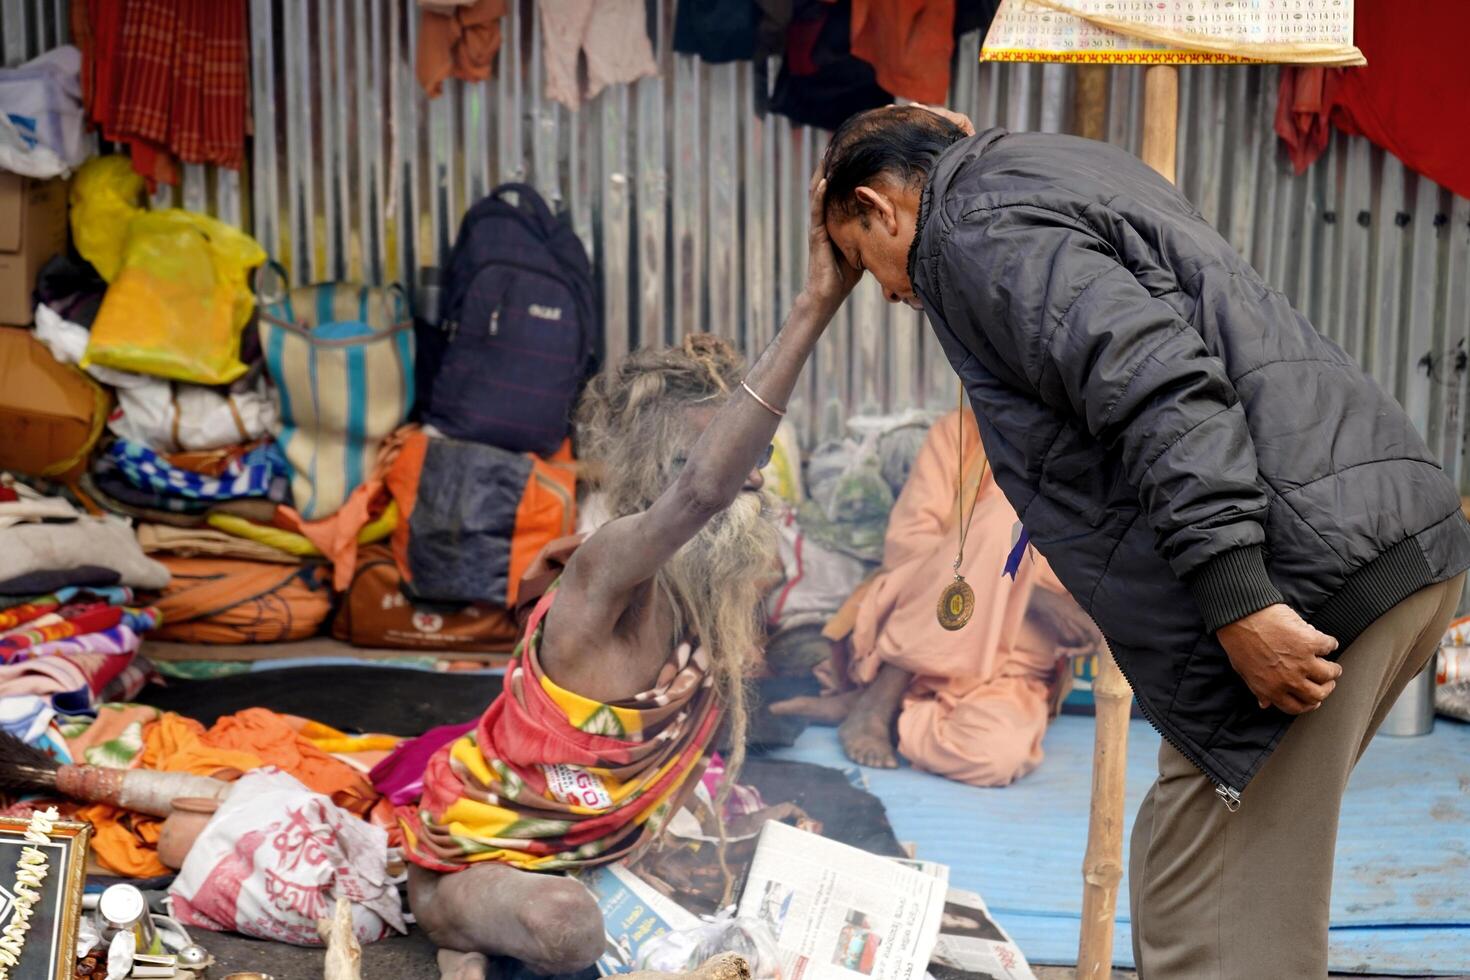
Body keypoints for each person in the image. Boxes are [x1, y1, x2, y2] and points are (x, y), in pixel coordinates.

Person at [816, 104, 1470, 978]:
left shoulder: (967, 233)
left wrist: (1239, 595)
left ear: (882, 206)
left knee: (1216, 926)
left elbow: (1162, 385)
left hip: (1304, 580)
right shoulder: (1046, 170)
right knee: (1197, 877)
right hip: (1380, 541)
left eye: (866, 265)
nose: (892, 295)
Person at [400, 174, 856, 980]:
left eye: (754, 463)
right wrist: (814, 306)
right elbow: (706, 490)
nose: (748, 481)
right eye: (716, 460)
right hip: (475, 862)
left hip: (600, 849)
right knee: (570, 927)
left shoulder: (705, 597)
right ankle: (455, 931)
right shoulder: (608, 563)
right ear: (657, 477)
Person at [772, 408, 1100, 785]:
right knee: (1001, 517)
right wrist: (1023, 594)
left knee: (993, 758)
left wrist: (1082, 620)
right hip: (927, 624)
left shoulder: (1097, 458)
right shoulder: (959, 431)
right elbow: (908, 548)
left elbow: (1099, 596)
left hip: (1015, 664)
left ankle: (885, 711)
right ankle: (880, 699)